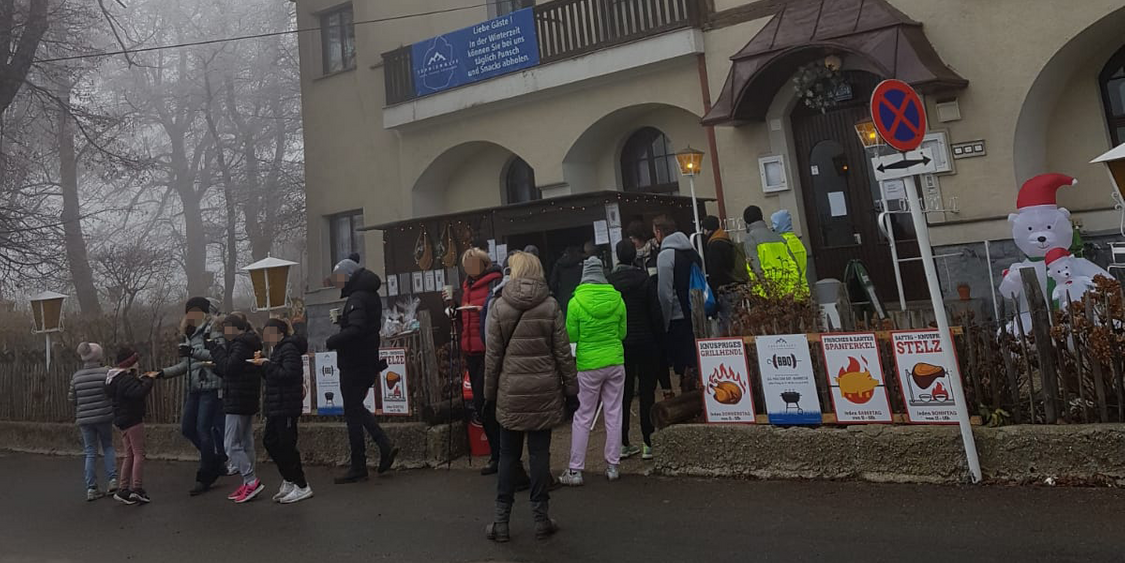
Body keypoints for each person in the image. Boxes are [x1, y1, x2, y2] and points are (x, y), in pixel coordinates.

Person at [483, 252, 577, 542]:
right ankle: (540, 518)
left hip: (510, 391)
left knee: (508, 456)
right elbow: (563, 353)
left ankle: (501, 522)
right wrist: (571, 390)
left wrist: (488, 395)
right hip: (544, 391)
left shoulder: (499, 306)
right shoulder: (550, 305)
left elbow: (492, 358)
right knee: (539, 454)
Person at [327, 257, 399, 483]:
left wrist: (334, 340)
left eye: (339, 277)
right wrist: (344, 322)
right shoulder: (369, 295)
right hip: (365, 360)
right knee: (356, 408)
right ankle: (383, 446)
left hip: (354, 362)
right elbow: (364, 325)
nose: (337, 282)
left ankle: (359, 465)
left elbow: (357, 329)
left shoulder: (357, 297)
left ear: (348, 276)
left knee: (353, 412)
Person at [559, 256, 627, 486]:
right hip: (615, 362)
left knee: (583, 415)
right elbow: (623, 333)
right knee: (614, 412)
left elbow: (572, 336)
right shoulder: (618, 299)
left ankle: (576, 470)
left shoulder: (575, 302)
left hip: (588, 365)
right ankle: (613, 466)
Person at [159, 297, 225, 496]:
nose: (192, 315)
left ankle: (205, 475)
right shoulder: (188, 334)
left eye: (197, 311)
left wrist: (193, 352)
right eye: (190, 311)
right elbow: (186, 365)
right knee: (187, 428)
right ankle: (214, 460)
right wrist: (162, 373)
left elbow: (219, 355)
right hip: (194, 387)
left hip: (210, 385)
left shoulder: (212, 330)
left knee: (203, 429)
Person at [446, 248, 504, 475]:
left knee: (487, 402)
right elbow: (465, 320)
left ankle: (501, 454)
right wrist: (454, 309)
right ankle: (496, 453)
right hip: (470, 350)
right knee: (480, 404)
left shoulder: (494, 283)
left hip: (487, 350)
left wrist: (483, 311)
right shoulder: (467, 287)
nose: (469, 268)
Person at [608, 240, 665, 460]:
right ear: (634, 256)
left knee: (622, 394)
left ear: (617, 256)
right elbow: (655, 313)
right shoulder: (644, 279)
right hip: (646, 341)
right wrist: (660, 341)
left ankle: (623, 442)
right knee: (647, 392)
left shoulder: (610, 283)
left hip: (621, 344)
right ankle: (648, 442)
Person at [206, 312, 265, 503]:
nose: (223, 332)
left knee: (231, 445)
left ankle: (251, 480)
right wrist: (216, 366)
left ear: (234, 328)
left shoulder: (240, 344)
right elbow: (232, 371)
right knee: (246, 442)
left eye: (225, 328)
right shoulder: (248, 343)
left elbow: (229, 368)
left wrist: (214, 349)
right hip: (246, 397)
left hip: (237, 400)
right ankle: (248, 482)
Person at [258, 318, 313, 504]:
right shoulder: (277, 350)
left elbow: (289, 374)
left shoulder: (289, 348)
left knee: (287, 445)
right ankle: (289, 479)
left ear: (280, 333)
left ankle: (302, 485)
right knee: (270, 441)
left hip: (287, 405)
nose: (266, 337)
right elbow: (273, 375)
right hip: (276, 405)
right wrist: (262, 366)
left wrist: (266, 365)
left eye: (269, 332)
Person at [654, 215, 702, 392]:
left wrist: (664, 322)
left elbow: (665, 293)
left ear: (659, 232)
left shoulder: (666, 255)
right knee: (696, 359)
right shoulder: (692, 251)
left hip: (677, 315)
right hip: (697, 311)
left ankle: (688, 396)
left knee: (683, 364)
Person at [106, 348, 155, 505]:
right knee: (139, 454)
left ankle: (123, 488)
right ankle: (137, 489)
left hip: (123, 421)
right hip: (133, 419)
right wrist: (149, 380)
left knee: (129, 454)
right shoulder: (126, 379)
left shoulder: (115, 379)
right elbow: (138, 392)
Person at [70, 342, 117, 501]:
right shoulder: (106, 373)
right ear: (99, 356)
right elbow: (112, 392)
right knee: (108, 446)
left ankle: (91, 488)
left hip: (84, 419)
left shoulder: (76, 377)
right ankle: (113, 480)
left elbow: (72, 399)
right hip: (104, 416)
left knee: (90, 452)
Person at [743, 205, 801, 296]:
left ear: (746, 223)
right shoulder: (779, 237)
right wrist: (793, 287)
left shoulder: (750, 238)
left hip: (767, 294)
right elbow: (794, 265)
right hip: (788, 291)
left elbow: (756, 267)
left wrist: (767, 289)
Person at [702, 215, 750, 291]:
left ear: (707, 229)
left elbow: (716, 268)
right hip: (733, 280)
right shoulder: (724, 237)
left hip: (724, 284)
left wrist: (714, 285)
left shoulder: (715, 244)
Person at [771, 209, 809, 288]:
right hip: (803, 287)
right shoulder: (797, 241)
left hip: (791, 289)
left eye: (774, 224)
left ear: (778, 224)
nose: (773, 228)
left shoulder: (782, 243)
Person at [548, 245, 584, 318]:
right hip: (579, 297)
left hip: (564, 298)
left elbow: (553, 284)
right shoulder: (582, 264)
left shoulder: (559, 264)